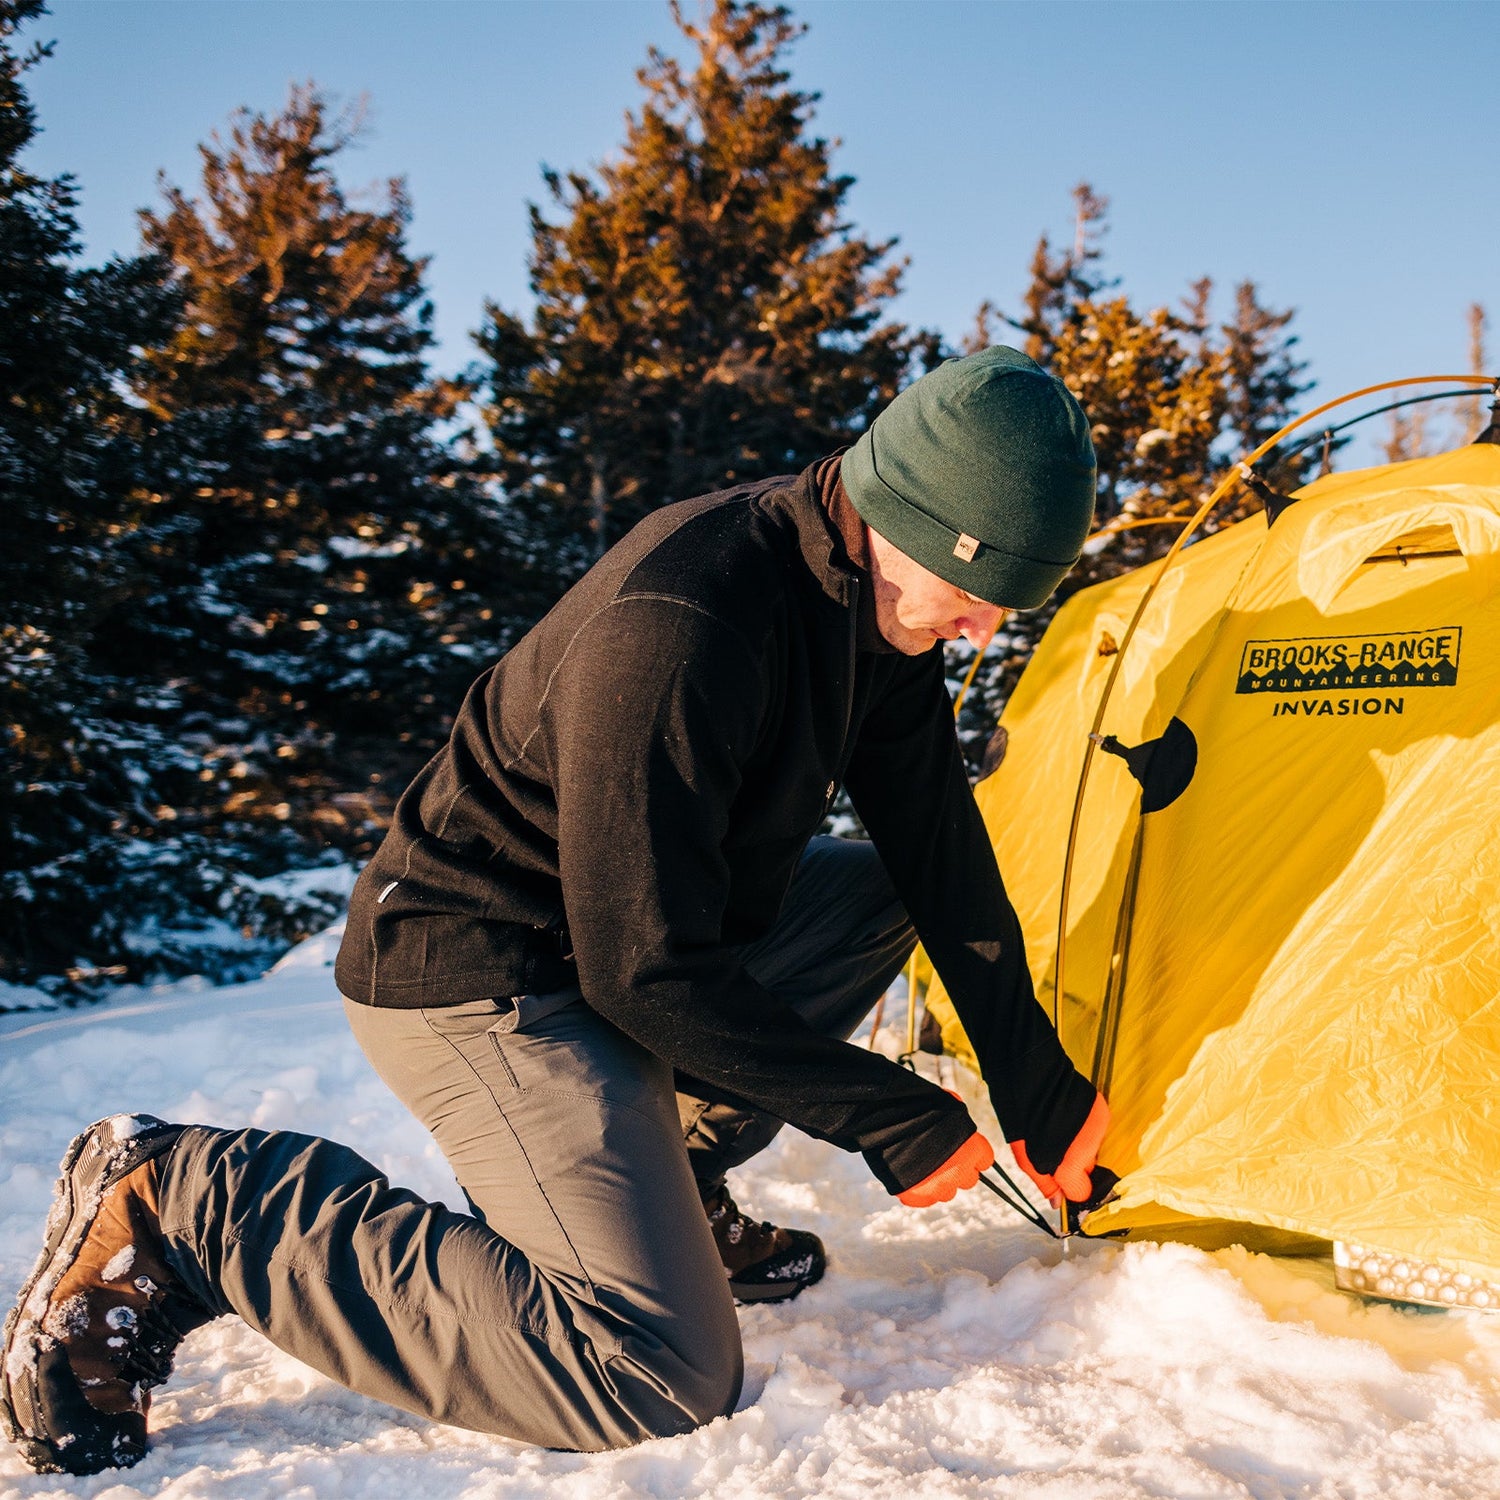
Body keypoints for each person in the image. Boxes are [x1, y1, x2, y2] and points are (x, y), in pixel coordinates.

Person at [1, 346, 1114, 1476]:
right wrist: (890, 1114)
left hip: (624, 941)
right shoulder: (689, 619)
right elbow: (649, 969)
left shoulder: (876, 609)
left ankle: (672, 1183)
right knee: (653, 1369)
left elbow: (937, 853)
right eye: (976, 599)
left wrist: (1036, 1078)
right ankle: (191, 1204)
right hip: (480, 965)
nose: (979, 631)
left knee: (874, 897)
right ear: (908, 516)